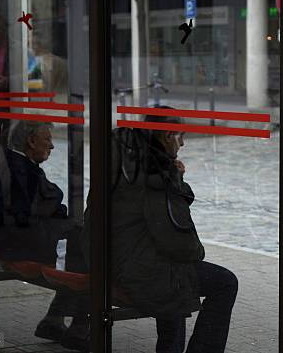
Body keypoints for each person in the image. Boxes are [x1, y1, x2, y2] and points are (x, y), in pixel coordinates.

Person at [82, 107, 238, 353]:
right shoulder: (155, 175)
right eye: (181, 136)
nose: (183, 143)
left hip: (110, 261)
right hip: (138, 270)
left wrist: (173, 176)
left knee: (172, 273)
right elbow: (179, 242)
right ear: (167, 135)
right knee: (224, 282)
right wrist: (197, 252)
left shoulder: (124, 163)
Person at [0, 120, 88, 351]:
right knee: (87, 249)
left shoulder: (14, 164)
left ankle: (54, 319)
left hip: (7, 238)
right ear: (31, 141)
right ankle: (80, 327)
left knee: (78, 242)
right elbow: (41, 209)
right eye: (47, 139)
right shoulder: (22, 171)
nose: (52, 146)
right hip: (15, 241)